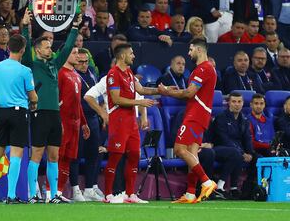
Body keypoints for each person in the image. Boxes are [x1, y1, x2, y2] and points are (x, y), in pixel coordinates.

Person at [21, 10, 81, 203]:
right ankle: (32, 194)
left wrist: (74, 28)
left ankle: (53, 194)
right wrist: (24, 26)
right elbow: (26, 44)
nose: (51, 50)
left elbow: (68, 47)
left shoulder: (55, 64)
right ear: (38, 50)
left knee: (54, 154)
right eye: (47, 47)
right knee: (37, 153)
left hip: (56, 114)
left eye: (51, 47)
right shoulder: (31, 64)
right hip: (39, 113)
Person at [0, 34, 38, 204]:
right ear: (23, 50)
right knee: (16, 153)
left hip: (1, 112)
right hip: (19, 114)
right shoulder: (25, 71)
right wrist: (33, 102)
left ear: (8, 47)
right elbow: (33, 97)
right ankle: (11, 195)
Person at [158, 38, 217, 203]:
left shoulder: (203, 69)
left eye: (191, 50)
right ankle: (191, 193)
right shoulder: (205, 69)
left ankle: (206, 181)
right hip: (201, 113)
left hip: (196, 114)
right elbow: (191, 93)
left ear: (199, 50)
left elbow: (189, 94)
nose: (189, 53)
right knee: (192, 153)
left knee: (179, 149)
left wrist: (167, 92)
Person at [104, 43, 160, 204]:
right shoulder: (113, 74)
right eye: (131, 53)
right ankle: (108, 195)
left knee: (135, 155)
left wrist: (161, 90)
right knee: (115, 156)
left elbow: (141, 90)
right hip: (119, 119)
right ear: (122, 56)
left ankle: (130, 194)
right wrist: (139, 103)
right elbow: (116, 99)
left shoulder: (129, 72)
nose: (133, 56)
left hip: (131, 121)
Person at [57, 47, 90, 201]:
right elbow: (55, 100)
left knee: (68, 158)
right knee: (58, 156)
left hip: (75, 124)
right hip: (63, 122)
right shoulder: (60, 73)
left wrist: (83, 122)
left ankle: (59, 192)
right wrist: (58, 121)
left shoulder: (76, 75)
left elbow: (78, 103)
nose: (77, 56)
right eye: (74, 53)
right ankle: (50, 191)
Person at [69, 49, 103, 202]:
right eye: (80, 62)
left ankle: (90, 188)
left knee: (93, 154)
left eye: (86, 61)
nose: (83, 65)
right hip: (78, 120)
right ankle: (75, 189)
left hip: (93, 118)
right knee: (75, 155)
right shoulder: (72, 76)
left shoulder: (91, 73)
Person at [211, 92, 254, 200]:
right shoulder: (221, 118)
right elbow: (224, 139)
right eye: (234, 101)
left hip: (237, 150)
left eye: (239, 102)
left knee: (257, 158)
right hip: (218, 148)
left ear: (243, 103)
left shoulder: (244, 119)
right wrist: (242, 152)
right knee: (236, 154)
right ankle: (219, 187)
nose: (237, 104)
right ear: (228, 103)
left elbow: (247, 138)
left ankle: (244, 189)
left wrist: (250, 153)